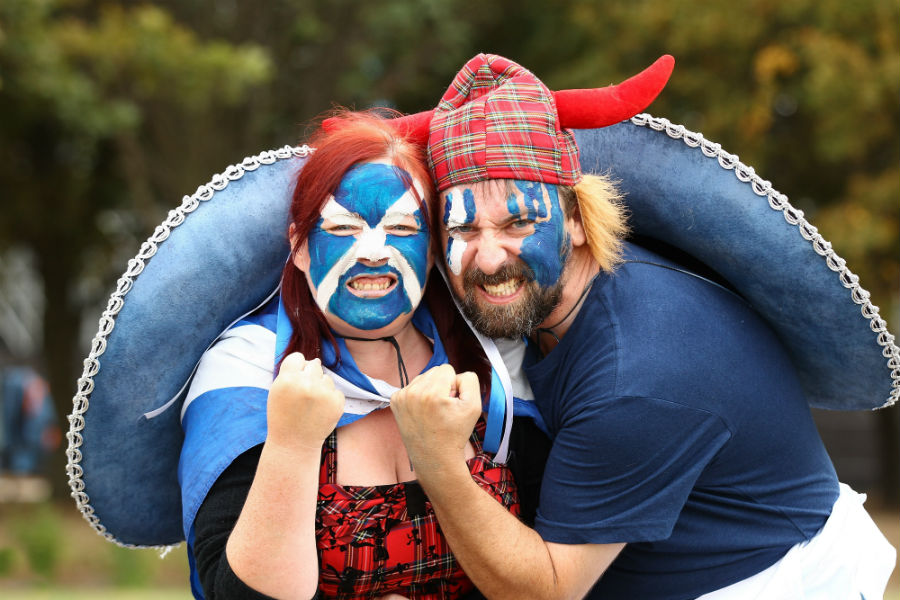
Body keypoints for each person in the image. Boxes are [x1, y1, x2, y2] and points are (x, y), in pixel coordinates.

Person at [389, 54, 897, 599]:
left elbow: (544, 592)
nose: (488, 259)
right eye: (462, 228)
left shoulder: (635, 373)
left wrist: (437, 457)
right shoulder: (566, 299)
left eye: (519, 222)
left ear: (579, 221)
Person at [181, 112, 521, 599]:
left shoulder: (489, 363)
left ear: (431, 251)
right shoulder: (248, 371)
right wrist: (291, 445)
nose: (375, 252)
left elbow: (548, 567)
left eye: (403, 226)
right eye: (343, 228)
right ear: (299, 247)